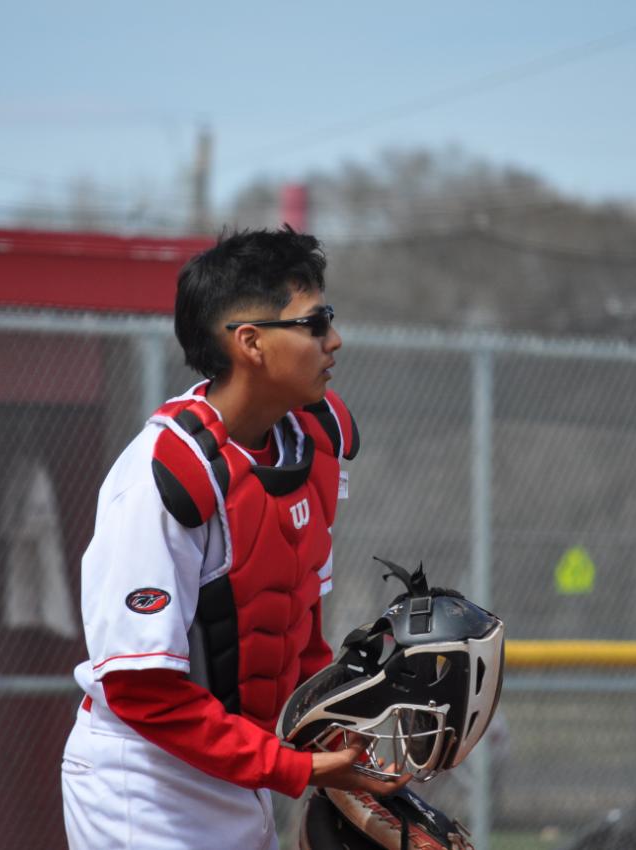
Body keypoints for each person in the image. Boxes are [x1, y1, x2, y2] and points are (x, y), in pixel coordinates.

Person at [61, 227, 410, 850]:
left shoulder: (311, 445)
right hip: (144, 782)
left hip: (241, 769)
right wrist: (295, 769)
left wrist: (341, 746)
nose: (334, 340)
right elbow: (143, 691)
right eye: (313, 322)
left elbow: (297, 634)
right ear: (250, 342)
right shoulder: (168, 474)